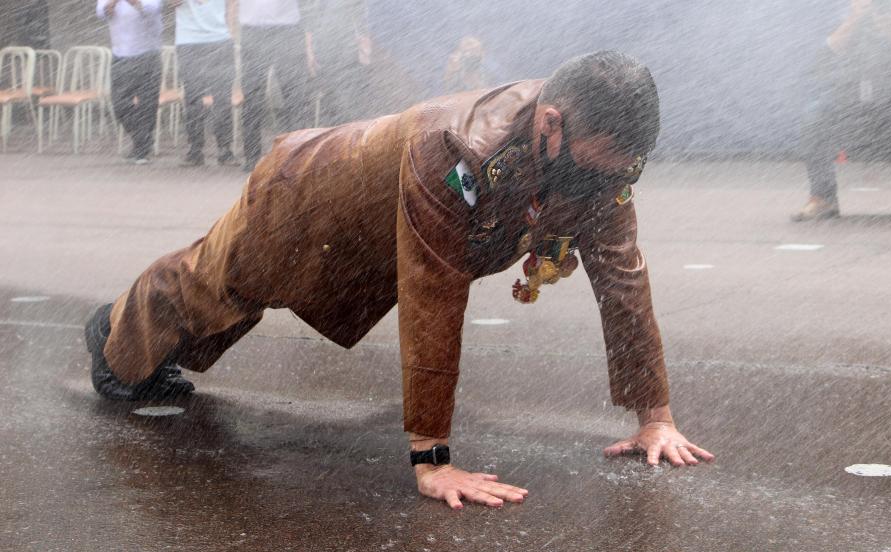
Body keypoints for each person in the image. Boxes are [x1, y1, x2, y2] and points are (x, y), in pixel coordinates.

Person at [84, 50, 715, 509]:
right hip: (307, 197)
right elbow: (435, 296)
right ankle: (112, 333)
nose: (610, 178)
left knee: (239, 303)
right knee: (224, 284)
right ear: (552, 123)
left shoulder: (596, 164)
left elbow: (623, 279)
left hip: (380, 227)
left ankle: (139, 346)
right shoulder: (459, 148)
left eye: (623, 166)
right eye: (599, 161)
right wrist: (432, 458)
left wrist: (654, 417)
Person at [792, 0, 891, 221]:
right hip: (853, 120)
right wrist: (853, 21)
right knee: (814, 115)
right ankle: (823, 198)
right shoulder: (840, 18)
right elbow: (817, 64)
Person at [236, 0, 310, 172]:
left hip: (287, 30)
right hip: (253, 32)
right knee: (253, 98)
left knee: (294, 97)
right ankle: (252, 157)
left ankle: (297, 156)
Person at [170, 0, 238, 167]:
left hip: (220, 40)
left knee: (222, 98)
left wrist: (231, 34)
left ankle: (225, 149)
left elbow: (232, 4)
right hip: (189, 41)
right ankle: (195, 149)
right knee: (193, 99)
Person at [97, 0, 163, 165]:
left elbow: (152, 9)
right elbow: (101, 12)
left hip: (148, 54)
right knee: (119, 103)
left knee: (147, 104)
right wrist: (110, 5)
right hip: (121, 55)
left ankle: (141, 149)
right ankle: (142, 139)